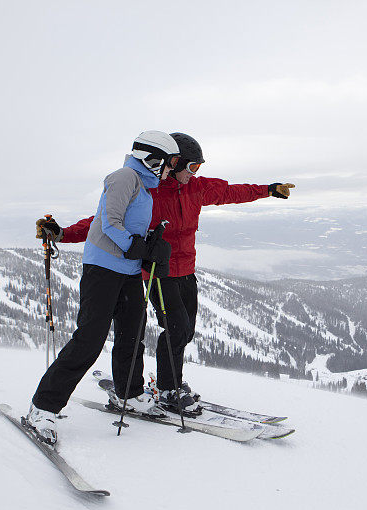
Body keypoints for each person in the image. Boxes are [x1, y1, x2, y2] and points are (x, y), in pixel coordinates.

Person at [42, 132, 295, 415]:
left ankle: (154, 386)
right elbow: (102, 221)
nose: (195, 173)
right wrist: (65, 234)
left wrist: (269, 189)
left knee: (184, 331)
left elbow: (232, 192)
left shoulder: (196, 188)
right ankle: (168, 387)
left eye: (198, 168)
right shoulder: (149, 191)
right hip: (157, 272)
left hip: (186, 269)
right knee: (174, 327)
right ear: (173, 164)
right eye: (191, 167)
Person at [25, 130, 180, 445]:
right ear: (152, 159)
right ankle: (42, 407)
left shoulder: (146, 190)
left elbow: (131, 229)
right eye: (169, 162)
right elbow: (109, 222)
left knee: (131, 335)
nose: (170, 169)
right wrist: (136, 247)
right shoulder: (125, 177)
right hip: (103, 268)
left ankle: (129, 394)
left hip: (128, 271)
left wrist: (151, 249)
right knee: (89, 341)